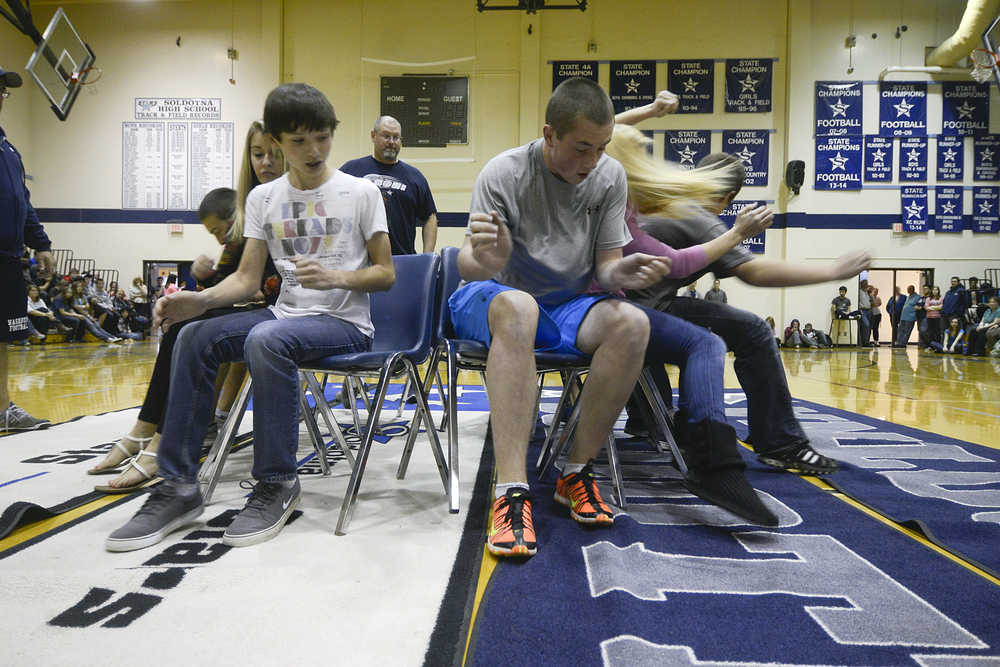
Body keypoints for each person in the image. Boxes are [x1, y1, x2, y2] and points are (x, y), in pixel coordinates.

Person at [107, 83, 393, 552]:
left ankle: (277, 483)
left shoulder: (361, 193)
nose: (314, 150)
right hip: (284, 317)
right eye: (299, 141)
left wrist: (337, 276)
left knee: (266, 338)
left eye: (322, 137)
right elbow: (246, 279)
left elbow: (385, 275)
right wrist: (199, 301)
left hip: (345, 326)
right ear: (278, 142)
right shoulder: (263, 199)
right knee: (193, 337)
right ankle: (178, 485)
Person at [607, 139, 869, 477]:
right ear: (727, 198)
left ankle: (651, 420)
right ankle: (781, 444)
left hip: (609, 310)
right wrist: (833, 271)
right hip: (631, 317)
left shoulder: (665, 202)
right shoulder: (697, 213)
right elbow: (753, 272)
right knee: (752, 330)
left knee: (689, 318)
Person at [91, 124, 285, 491]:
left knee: (195, 334)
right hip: (265, 308)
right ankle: (146, 430)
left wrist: (217, 291)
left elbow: (261, 283)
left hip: (287, 313)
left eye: (274, 152)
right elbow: (243, 281)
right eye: (257, 153)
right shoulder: (255, 205)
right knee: (182, 325)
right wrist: (200, 294)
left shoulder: (291, 203)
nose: (266, 161)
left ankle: (168, 444)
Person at [1, 65, 54, 429]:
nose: (1, 97)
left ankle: (2, 409)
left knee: (2, 336)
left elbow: (24, 202)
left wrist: (41, 244)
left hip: (7, 259)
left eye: (3, 91)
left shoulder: (9, 149)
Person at [340, 115, 438, 255]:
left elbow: (430, 217)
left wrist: (427, 257)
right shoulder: (350, 171)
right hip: (360, 264)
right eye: (386, 136)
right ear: (373, 136)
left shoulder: (415, 177)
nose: (391, 142)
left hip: (403, 263)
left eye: (396, 137)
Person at [923, 285, 943, 351]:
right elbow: (926, 308)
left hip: (937, 317)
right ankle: (931, 346)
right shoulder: (928, 299)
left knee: (937, 332)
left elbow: (941, 307)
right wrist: (936, 307)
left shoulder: (941, 298)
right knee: (930, 332)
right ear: (932, 291)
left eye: (936, 290)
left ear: (938, 291)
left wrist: (931, 307)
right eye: (934, 290)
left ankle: (937, 346)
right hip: (929, 317)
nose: (935, 291)